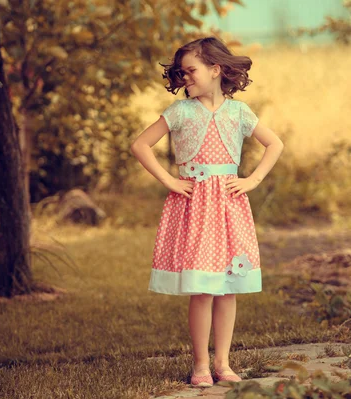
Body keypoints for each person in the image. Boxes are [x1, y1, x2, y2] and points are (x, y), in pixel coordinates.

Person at [130, 36, 284, 388]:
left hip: (229, 206)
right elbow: (139, 144)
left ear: (216, 70)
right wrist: (169, 178)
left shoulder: (239, 112)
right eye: (182, 73)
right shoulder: (181, 112)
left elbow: (275, 143)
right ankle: (201, 365)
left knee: (227, 287)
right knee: (202, 288)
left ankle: (223, 363)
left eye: (191, 70)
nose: (185, 78)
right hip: (195, 207)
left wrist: (254, 178)